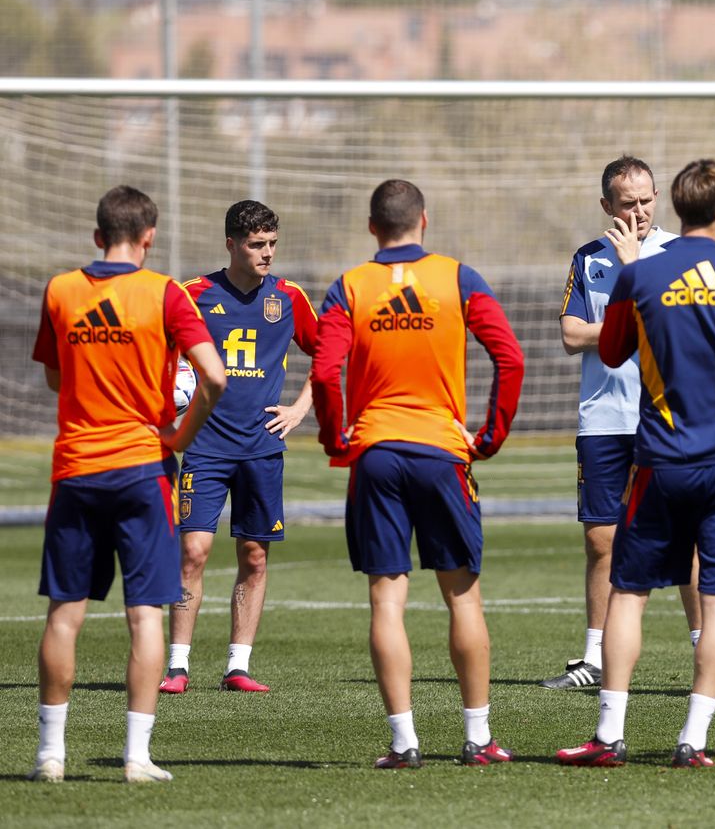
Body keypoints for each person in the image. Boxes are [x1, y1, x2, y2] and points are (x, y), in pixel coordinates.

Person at [555, 159, 715, 769]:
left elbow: (612, 350)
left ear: (672, 207)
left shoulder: (641, 274)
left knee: (629, 593)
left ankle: (609, 734)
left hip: (662, 458)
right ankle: (694, 739)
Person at [311, 179, 526, 768]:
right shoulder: (458, 278)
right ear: (423, 221)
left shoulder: (349, 286)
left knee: (387, 600)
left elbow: (324, 372)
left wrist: (336, 438)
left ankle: (404, 742)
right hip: (441, 453)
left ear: (372, 226)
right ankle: (477, 738)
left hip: (376, 454)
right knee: (462, 596)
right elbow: (510, 357)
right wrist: (489, 438)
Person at [30, 185, 225, 783]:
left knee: (65, 614)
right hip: (143, 468)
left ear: (98, 235)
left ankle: (49, 755)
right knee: (145, 616)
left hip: (77, 469)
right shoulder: (165, 292)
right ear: (149, 236)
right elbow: (215, 377)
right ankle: (136, 758)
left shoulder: (61, 290)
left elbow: (54, 378)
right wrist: (181, 435)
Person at [544, 156, 702, 689]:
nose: (639, 211)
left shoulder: (681, 254)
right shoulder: (589, 258)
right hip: (603, 420)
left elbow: (686, 327)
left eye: (646, 200)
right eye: (627, 202)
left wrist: (624, 321)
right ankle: (594, 657)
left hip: (667, 419)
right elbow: (571, 335)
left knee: (684, 541)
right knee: (601, 541)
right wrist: (634, 323)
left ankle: (704, 651)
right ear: (606, 204)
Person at [159, 200, 318, 696]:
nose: (267, 253)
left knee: (254, 556)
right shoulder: (193, 294)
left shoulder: (289, 297)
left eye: (272, 244)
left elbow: (331, 353)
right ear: (231, 244)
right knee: (193, 552)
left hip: (262, 447)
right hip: (205, 446)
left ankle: (238, 666)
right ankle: (177, 666)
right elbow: (157, 352)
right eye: (256, 245)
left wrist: (300, 408)